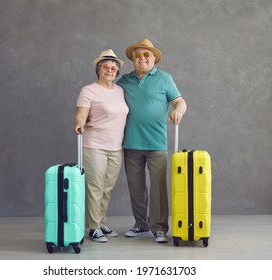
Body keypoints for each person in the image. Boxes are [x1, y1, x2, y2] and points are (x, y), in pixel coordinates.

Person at [117, 39, 187, 243]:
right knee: (136, 187)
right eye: (138, 55)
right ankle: (141, 225)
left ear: (154, 58)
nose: (142, 59)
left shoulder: (165, 79)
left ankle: (159, 228)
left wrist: (178, 112)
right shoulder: (124, 81)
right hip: (131, 143)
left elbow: (179, 101)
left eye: (147, 55)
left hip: (156, 143)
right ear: (132, 59)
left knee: (158, 188)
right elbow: (108, 99)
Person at [74, 49, 129, 243]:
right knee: (95, 187)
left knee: (107, 188)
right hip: (94, 145)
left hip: (116, 147)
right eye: (106, 65)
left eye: (114, 67)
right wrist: (79, 123)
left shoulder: (120, 91)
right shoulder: (88, 90)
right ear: (99, 68)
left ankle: (101, 222)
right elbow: (81, 113)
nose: (111, 69)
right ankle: (93, 227)